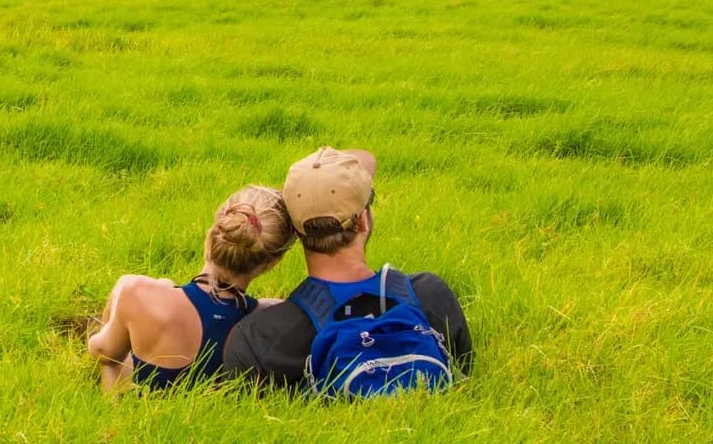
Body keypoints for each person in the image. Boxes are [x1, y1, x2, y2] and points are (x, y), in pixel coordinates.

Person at [224, 147, 472, 394]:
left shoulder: (260, 337)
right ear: (364, 219)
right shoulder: (429, 295)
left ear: (296, 232)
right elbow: (463, 373)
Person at [86, 185, 296, 392]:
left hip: (141, 412)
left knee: (124, 295)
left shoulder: (138, 292)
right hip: (213, 416)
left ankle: (113, 409)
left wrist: (99, 331)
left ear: (214, 232)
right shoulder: (273, 320)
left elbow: (103, 352)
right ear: (271, 264)